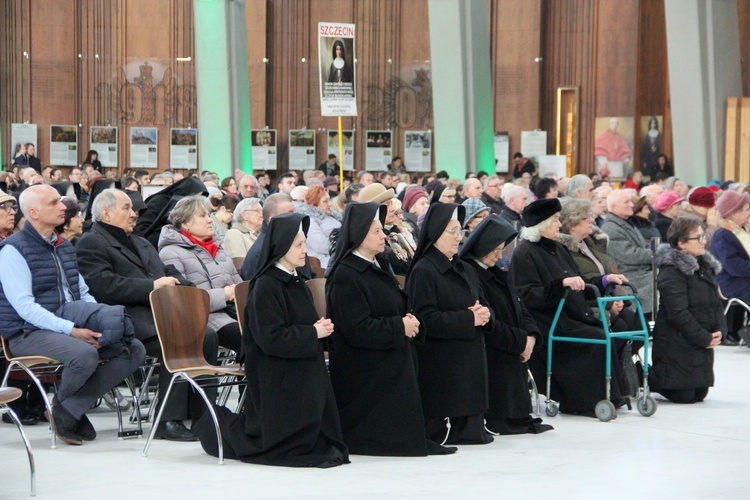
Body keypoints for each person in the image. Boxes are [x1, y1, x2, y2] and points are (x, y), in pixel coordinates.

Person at [194, 212, 349, 467]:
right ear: (282, 246)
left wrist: (321, 328)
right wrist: (313, 333)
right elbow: (270, 338)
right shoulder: (266, 285)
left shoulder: (296, 281)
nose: (305, 250)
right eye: (299, 244)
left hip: (297, 358)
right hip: (275, 368)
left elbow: (301, 326)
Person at [0, 185, 146, 445]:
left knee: (131, 348)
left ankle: (66, 409)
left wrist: (92, 317)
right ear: (33, 212)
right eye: (54, 203)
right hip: (26, 331)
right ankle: (68, 411)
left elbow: (81, 291)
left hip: (66, 321)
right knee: (84, 354)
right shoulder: (13, 250)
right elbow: (25, 308)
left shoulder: (63, 246)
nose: (63, 207)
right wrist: (71, 330)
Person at [76, 188, 219, 441]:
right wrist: (152, 287)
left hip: (160, 314)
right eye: (127, 208)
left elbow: (165, 269)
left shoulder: (141, 241)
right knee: (176, 339)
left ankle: (203, 413)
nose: (134, 214)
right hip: (125, 317)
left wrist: (181, 283)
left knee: (206, 336)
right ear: (106, 213)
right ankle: (167, 420)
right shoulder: (91, 242)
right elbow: (104, 285)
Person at [326, 202, 455, 456]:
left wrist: (410, 320)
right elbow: (356, 329)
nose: (384, 235)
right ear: (359, 234)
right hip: (360, 356)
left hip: (384, 342)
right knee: (402, 358)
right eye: (376, 231)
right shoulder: (346, 274)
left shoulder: (378, 264)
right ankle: (396, 437)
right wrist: (400, 326)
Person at [511, 198, 628, 416]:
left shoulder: (559, 248)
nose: (558, 224)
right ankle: (584, 402)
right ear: (542, 224)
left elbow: (580, 280)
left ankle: (611, 397)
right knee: (597, 339)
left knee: (605, 334)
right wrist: (560, 285)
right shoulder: (524, 253)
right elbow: (526, 295)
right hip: (549, 323)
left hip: (572, 317)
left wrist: (605, 280)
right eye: (555, 219)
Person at [406, 203, 494, 445]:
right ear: (435, 233)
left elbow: (484, 302)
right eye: (452, 232)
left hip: (469, 352)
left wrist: (485, 315)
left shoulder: (464, 267)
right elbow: (425, 320)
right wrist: (469, 318)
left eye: (460, 231)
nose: (459, 237)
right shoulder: (424, 270)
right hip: (441, 358)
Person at [460, 215, 552, 435]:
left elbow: (520, 306)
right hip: (496, 349)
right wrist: (521, 342)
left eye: (502, 249)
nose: (499, 256)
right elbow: (489, 322)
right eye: (495, 250)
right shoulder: (470, 272)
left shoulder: (497, 271)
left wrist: (530, 337)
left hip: (514, 344)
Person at [651, 216, 723, 403]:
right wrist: (704, 337)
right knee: (684, 396)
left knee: (699, 395)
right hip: (677, 340)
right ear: (681, 243)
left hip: (700, 340)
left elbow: (715, 301)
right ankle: (645, 379)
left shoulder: (703, 266)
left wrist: (719, 331)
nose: (704, 241)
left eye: (703, 236)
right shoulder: (672, 271)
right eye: (698, 238)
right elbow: (678, 313)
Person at [158, 195, 242, 355]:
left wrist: (240, 290)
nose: (210, 220)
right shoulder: (170, 253)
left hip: (234, 312)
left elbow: (238, 283)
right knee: (251, 336)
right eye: (202, 216)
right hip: (205, 318)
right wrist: (224, 294)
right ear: (185, 223)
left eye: (209, 215)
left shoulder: (219, 249)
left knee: (273, 330)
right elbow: (183, 299)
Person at [601, 190, 654, 316]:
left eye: (630, 201)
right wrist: (656, 254)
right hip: (630, 275)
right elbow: (631, 255)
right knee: (664, 280)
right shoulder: (610, 228)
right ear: (614, 207)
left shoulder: (624, 223)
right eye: (626, 202)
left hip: (640, 271)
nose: (631, 205)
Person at [710, 191, 750, 344]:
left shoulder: (742, 231)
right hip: (732, 281)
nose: (749, 213)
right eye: (747, 210)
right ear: (734, 214)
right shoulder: (723, 235)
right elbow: (734, 266)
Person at [296, 185, 342, 267]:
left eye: (329, 200)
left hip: (338, 256)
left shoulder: (332, 214)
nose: (330, 204)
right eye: (325, 201)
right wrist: (344, 242)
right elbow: (320, 245)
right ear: (314, 203)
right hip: (324, 262)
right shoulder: (309, 219)